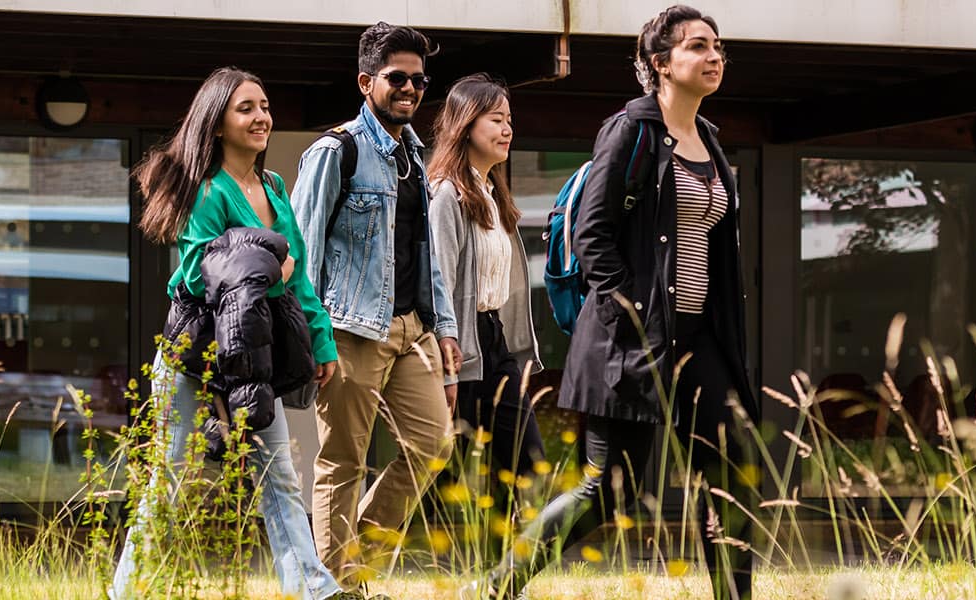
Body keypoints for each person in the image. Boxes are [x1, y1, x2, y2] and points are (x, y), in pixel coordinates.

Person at [467, 6, 757, 599]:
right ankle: (495, 587)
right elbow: (593, 235)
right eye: (698, 47)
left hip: (702, 339)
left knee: (730, 474)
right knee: (609, 491)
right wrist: (632, 312)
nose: (714, 56)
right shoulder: (631, 130)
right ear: (660, 64)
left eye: (718, 47)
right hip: (634, 341)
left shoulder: (712, 142)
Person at [110, 66, 364, 600]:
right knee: (172, 480)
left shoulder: (272, 186)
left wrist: (321, 341)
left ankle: (314, 590)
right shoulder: (207, 192)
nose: (260, 117)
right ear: (218, 123)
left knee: (278, 476)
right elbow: (201, 271)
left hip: (252, 354)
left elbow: (300, 277)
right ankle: (127, 591)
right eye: (245, 108)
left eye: (264, 106)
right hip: (194, 354)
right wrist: (273, 263)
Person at [291, 22, 462, 587]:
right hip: (348, 328)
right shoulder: (334, 152)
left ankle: (348, 567)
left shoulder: (416, 155)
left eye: (419, 79)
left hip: (411, 327)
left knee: (432, 443)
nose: (411, 88)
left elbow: (429, 255)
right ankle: (343, 587)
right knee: (343, 460)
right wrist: (314, 338)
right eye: (397, 78)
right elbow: (302, 251)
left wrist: (445, 329)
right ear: (366, 81)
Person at [426, 75, 546, 499]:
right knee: (444, 467)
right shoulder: (446, 196)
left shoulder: (491, 193)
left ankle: (504, 560)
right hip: (460, 343)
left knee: (522, 458)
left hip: (492, 340)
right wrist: (446, 360)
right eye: (496, 120)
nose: (507, 129)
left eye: (509, 119)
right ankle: (393, 543)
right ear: (465, 125)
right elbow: (438, 276)